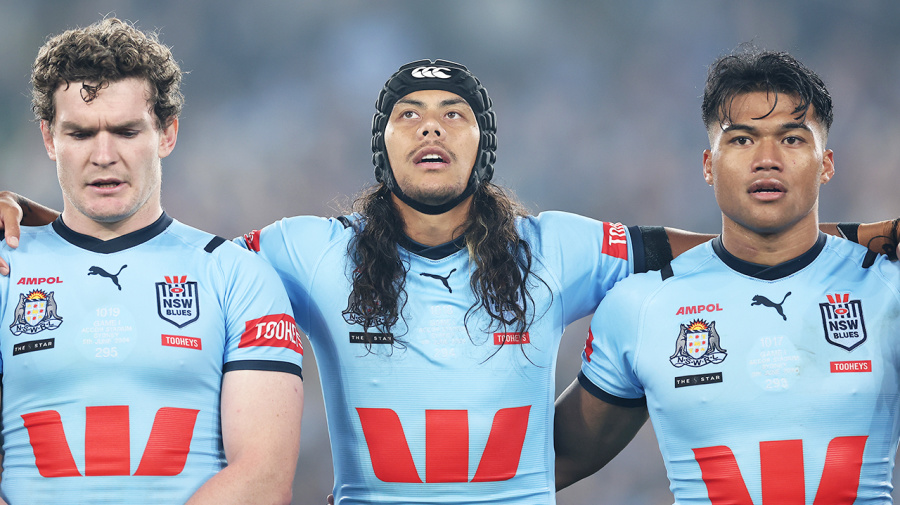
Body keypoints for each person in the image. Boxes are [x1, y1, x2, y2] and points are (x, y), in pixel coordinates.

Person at [1, 58, 896, 504]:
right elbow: (170, 254)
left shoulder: (564, 246)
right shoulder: (306, 248)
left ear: (482, 142)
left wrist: (857, 233)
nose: (431, 130)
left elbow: (712, 244)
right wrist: (41, 221)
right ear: (382, 143)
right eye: (408, 116)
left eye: (454, 114)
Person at [555, 47, 900, 503]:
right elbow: (544, 464)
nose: (767, 159)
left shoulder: (889, 290)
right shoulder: (642, 305)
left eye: (792, 139)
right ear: (707, 166)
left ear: (827, 164)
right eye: (741, 140)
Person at [0, 18, 304, 504]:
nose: (103, 155)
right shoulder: (5, 269)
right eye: (79, 134)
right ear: (48, 139)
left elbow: (263, 478)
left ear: (167, 134)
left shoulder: (237, 276)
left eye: (125, 131)